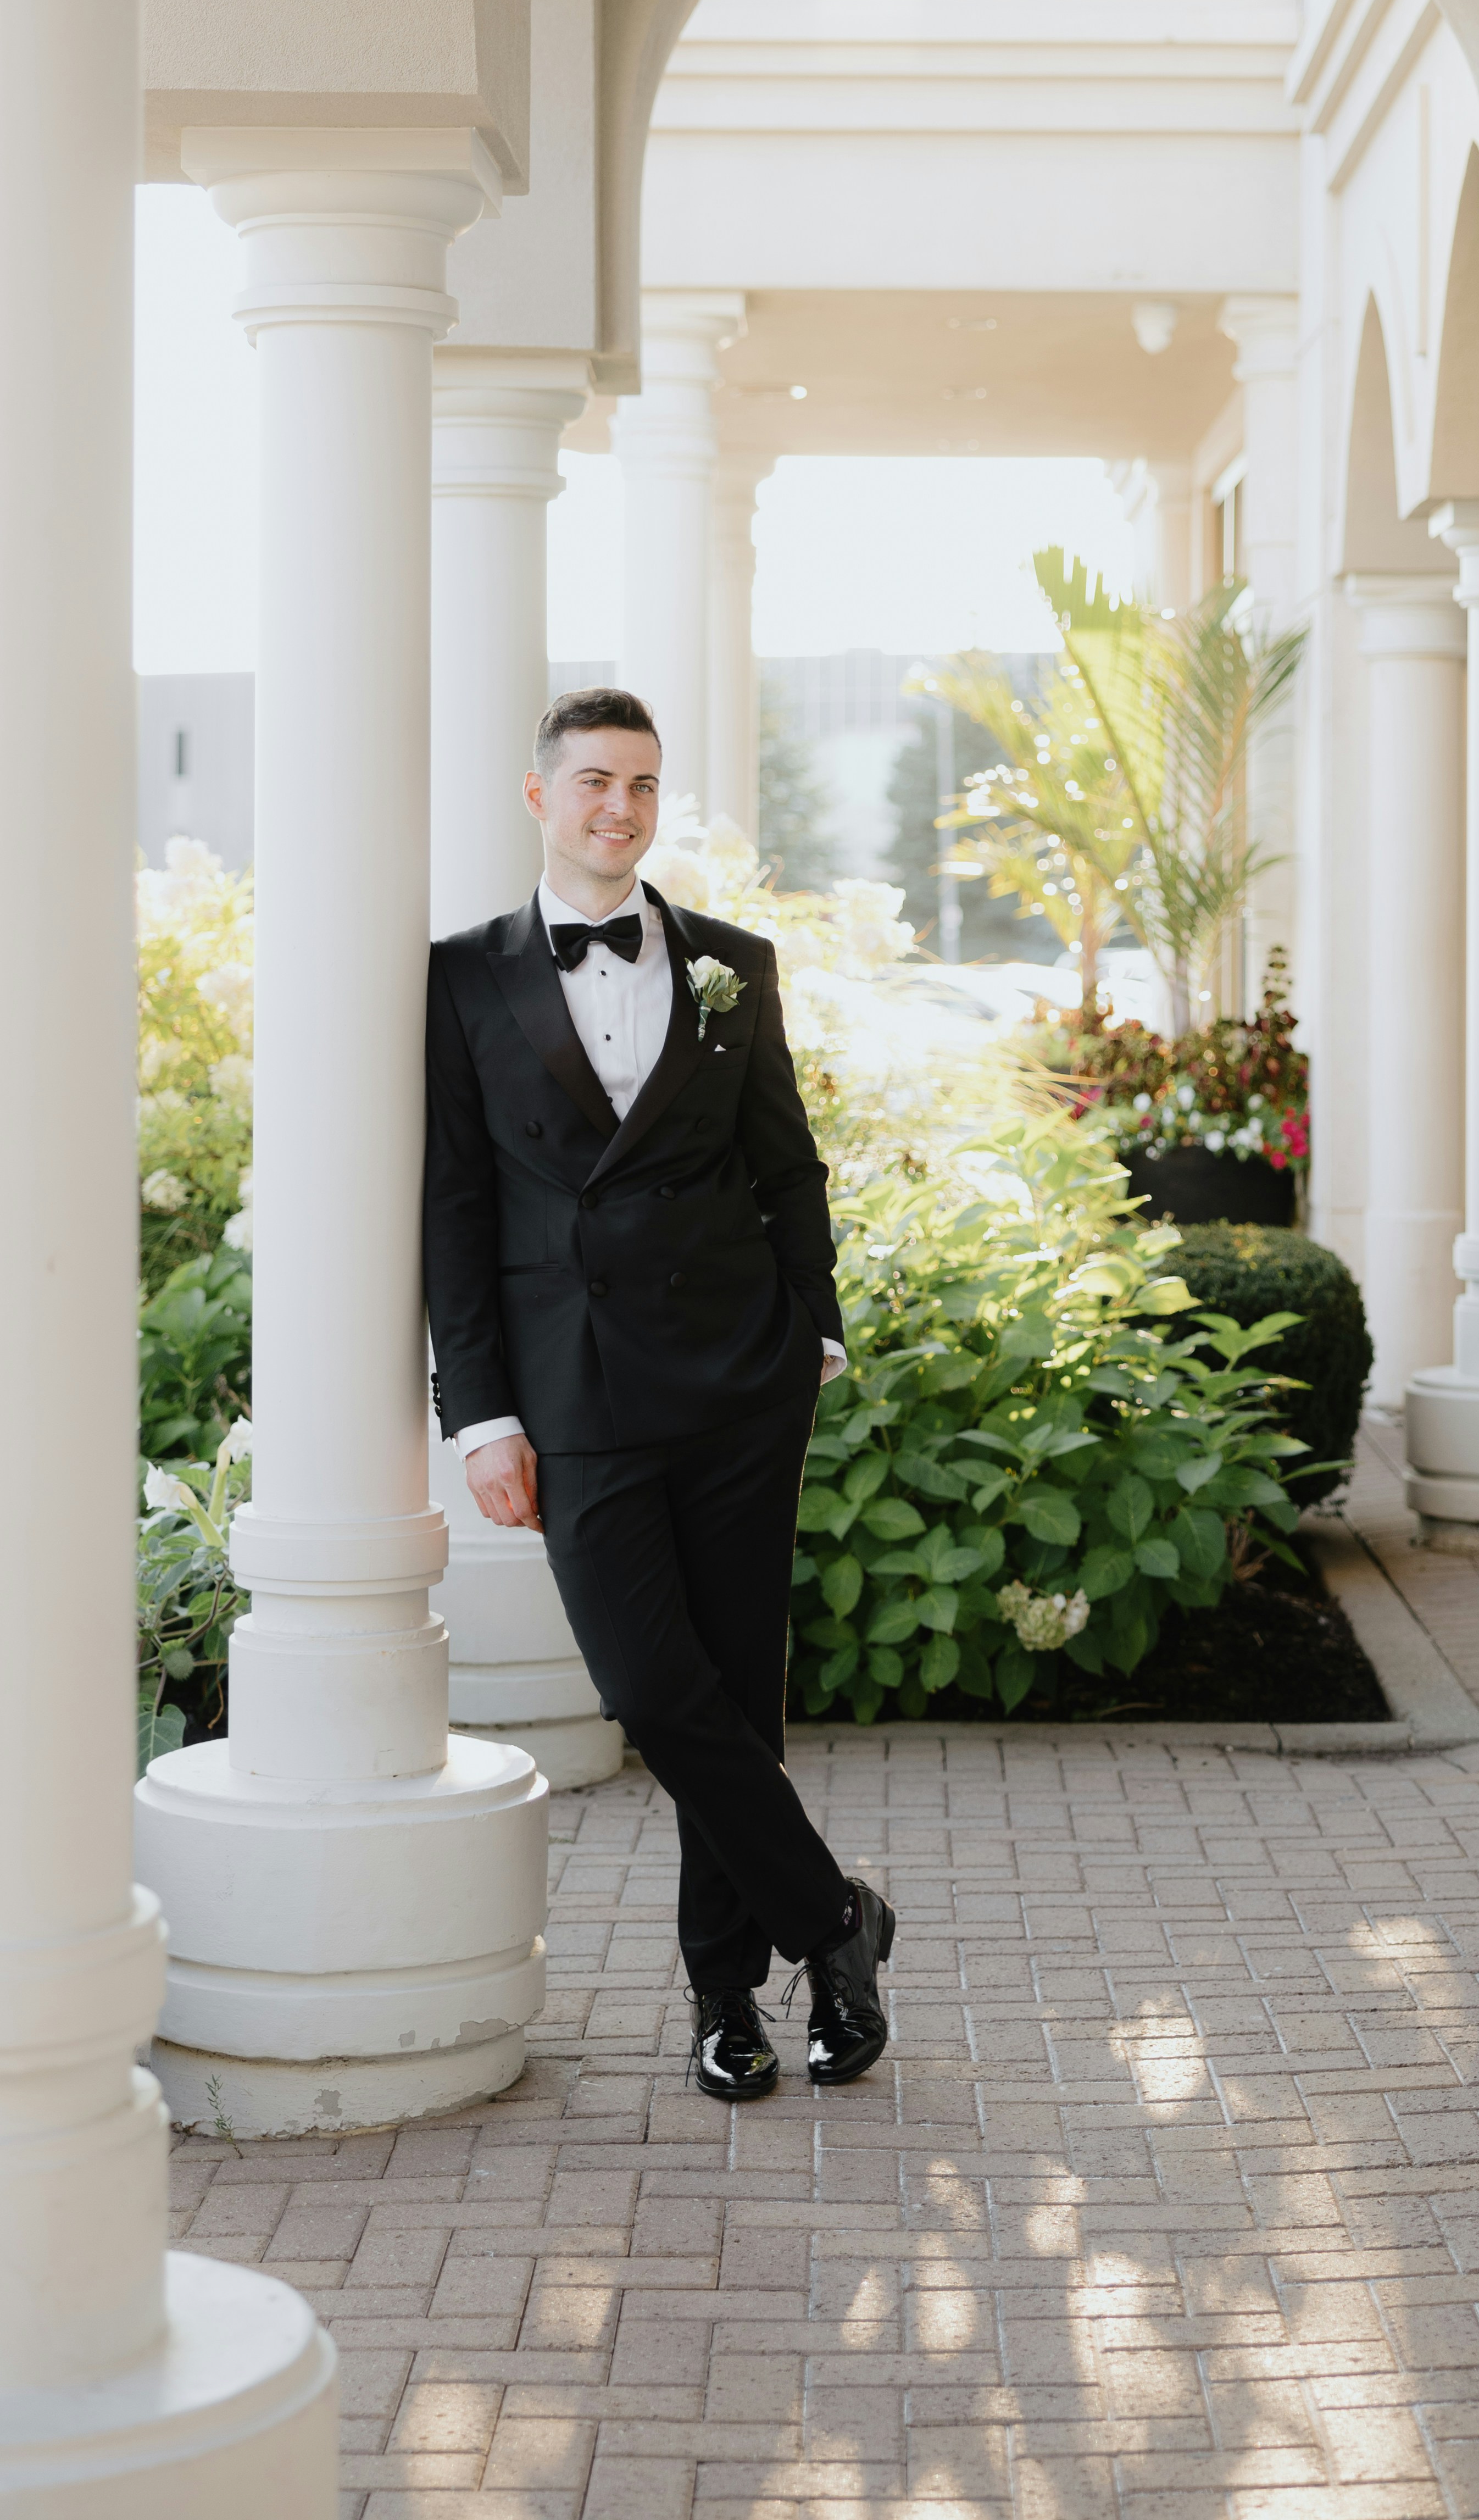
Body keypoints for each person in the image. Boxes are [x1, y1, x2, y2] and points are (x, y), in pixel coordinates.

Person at [423, 685, 894, 2100]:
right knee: (652, 1686)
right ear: (538, 795)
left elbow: (786, 1163)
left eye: (640, 785)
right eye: (592, 784)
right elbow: (454, 1209)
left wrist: (811, 1329)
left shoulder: (732, 963)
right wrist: (482, 1414)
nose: (618, 809)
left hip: (740, 1382)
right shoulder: (460, 977)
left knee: (737, 1691)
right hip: (576, 1394)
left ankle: (727, 2004)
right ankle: (835, 1921)